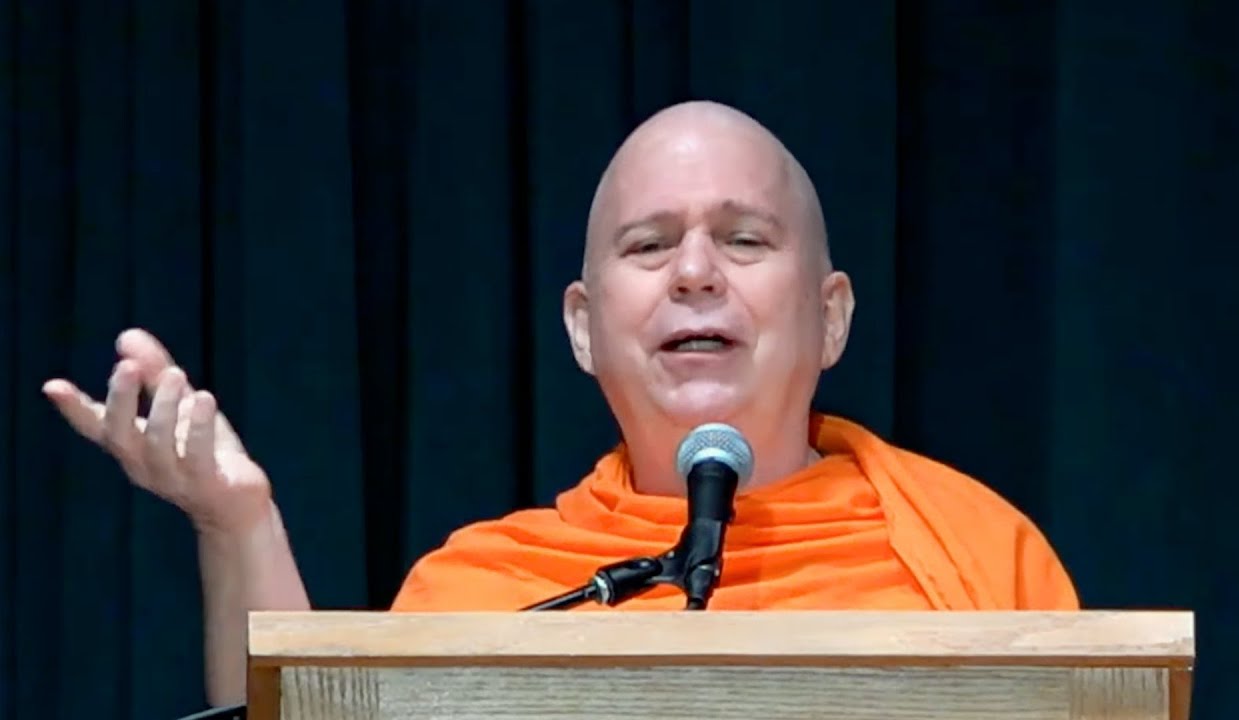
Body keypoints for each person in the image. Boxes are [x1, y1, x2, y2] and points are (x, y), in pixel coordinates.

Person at [42, 100, 1078, 707]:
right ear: (582, 328)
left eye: (744, 239)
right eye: (649, 244)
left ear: (831, 315)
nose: (695, 273)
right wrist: (238, 526)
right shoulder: (484, 590)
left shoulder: (979, 561)